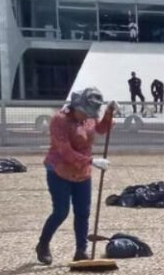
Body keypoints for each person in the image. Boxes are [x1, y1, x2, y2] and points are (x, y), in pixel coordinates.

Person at [36, 88, 115, 265]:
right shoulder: (60, 120)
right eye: (84, 112)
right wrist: (91, 160)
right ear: (76, 106)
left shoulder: (89, 117)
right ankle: (43, 244)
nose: (87, 116)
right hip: (59, 170)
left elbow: (101, 129)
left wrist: (109, 113)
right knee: (61, 211)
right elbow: (64, 150)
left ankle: (81, 250)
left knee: (83, 212)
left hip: (82, 171)